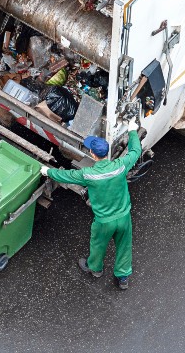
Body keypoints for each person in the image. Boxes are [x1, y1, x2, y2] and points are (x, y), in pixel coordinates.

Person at [41, 119, 141, 289]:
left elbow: (67, 176)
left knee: (98, 244)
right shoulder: (121, 166)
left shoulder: (89, 174)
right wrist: (132, 131)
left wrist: (47, 171)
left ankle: (95, 269)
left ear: (93, 155)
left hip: (104, 221)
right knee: (124, 246)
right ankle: (123, 277)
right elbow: (136, 150)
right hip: (124, 217)